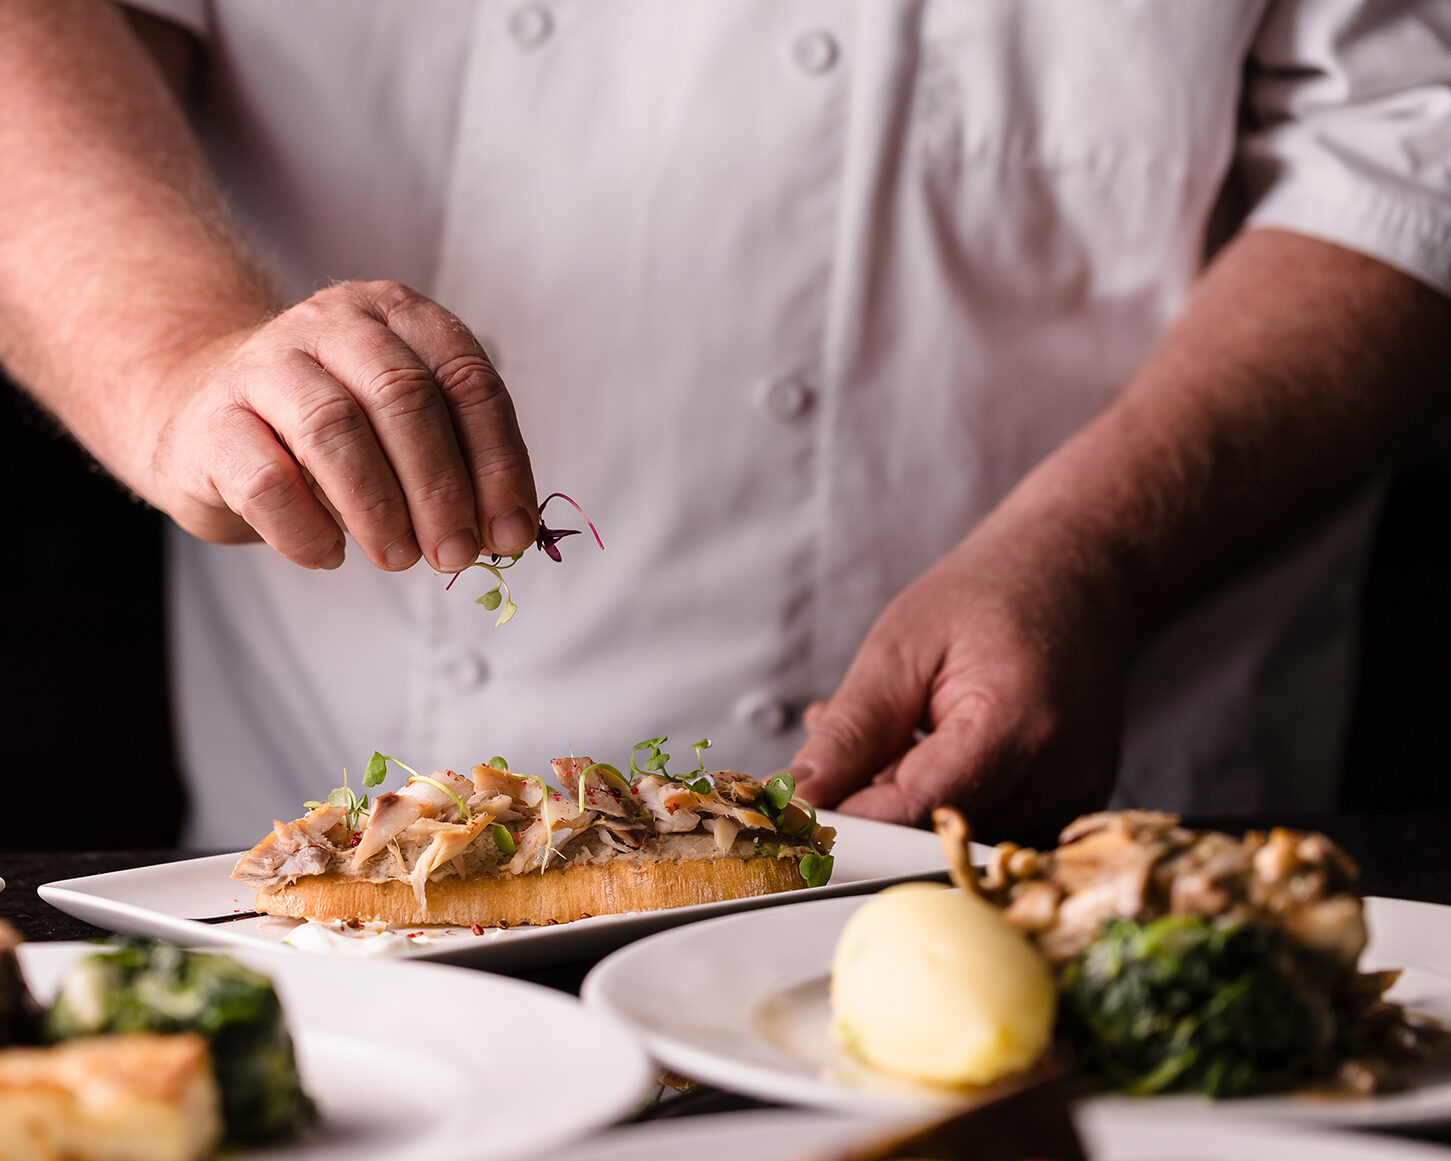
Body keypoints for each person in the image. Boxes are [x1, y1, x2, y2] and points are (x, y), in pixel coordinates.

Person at [2, 0, 1449, 847]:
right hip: (366, 904)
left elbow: (1410, 132)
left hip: (1090, 853)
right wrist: (178, 354)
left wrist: (1103, 550)